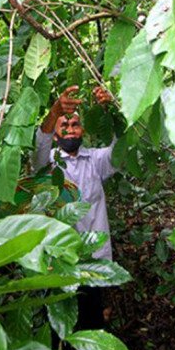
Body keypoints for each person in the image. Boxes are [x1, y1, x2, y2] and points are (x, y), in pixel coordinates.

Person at [33, 85, 116, 329]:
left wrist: (110, 111)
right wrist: (54, 111)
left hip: (94, 260)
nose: (70, 129)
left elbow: (121, 150)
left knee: (93, 323)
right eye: (64, 126)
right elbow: (39, 147)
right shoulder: (47, 165)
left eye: (75, 125)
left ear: (83, 130)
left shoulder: (96, 161)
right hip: (59, 259)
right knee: (63, 326)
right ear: (56, 135)